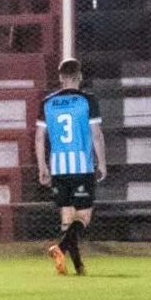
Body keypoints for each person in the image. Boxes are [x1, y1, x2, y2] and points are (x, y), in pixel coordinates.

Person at [35, 58, 107, 276]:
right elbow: (96, 135)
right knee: (83, 217)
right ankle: (60, 248)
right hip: (82, 167)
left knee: (67, 220)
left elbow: (39, 137)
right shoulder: (87, 100)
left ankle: (78, 267)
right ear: (80, 76)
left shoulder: (47, 102)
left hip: (58, 168)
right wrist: (102, 163)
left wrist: (42, 166)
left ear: (60, 77)